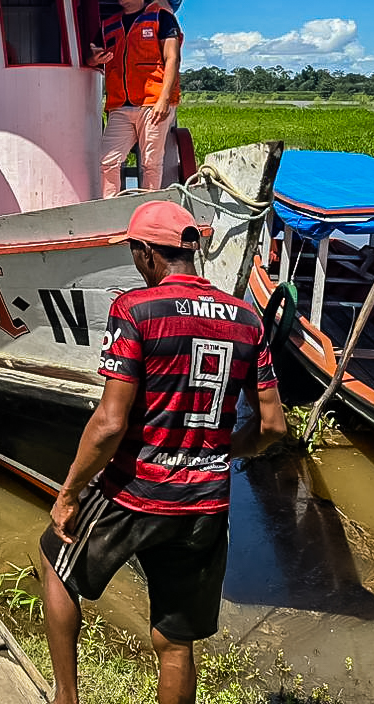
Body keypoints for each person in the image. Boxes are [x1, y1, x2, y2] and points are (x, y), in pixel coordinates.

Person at [39, 200, 287, 704]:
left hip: (137, 489)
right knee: (175, 640)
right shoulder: (246, 319)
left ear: (149, 253)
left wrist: (69, 492)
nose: (135, 261)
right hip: (206, 502)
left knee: (55, 561)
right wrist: (224, 448)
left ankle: (65, 697)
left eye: (134, 251)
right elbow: (272, 426)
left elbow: (110, 423)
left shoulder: (135, 310)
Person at [87, 0, 183, 197]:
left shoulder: (162, 17)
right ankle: (109, 208)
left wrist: (163, 100)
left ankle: (148, 210)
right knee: (107, 159)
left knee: (151, 161)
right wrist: (94, 58)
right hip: (120, 105)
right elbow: (91, 57)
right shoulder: (108, 25)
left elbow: (172, 59)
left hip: (153, 102)